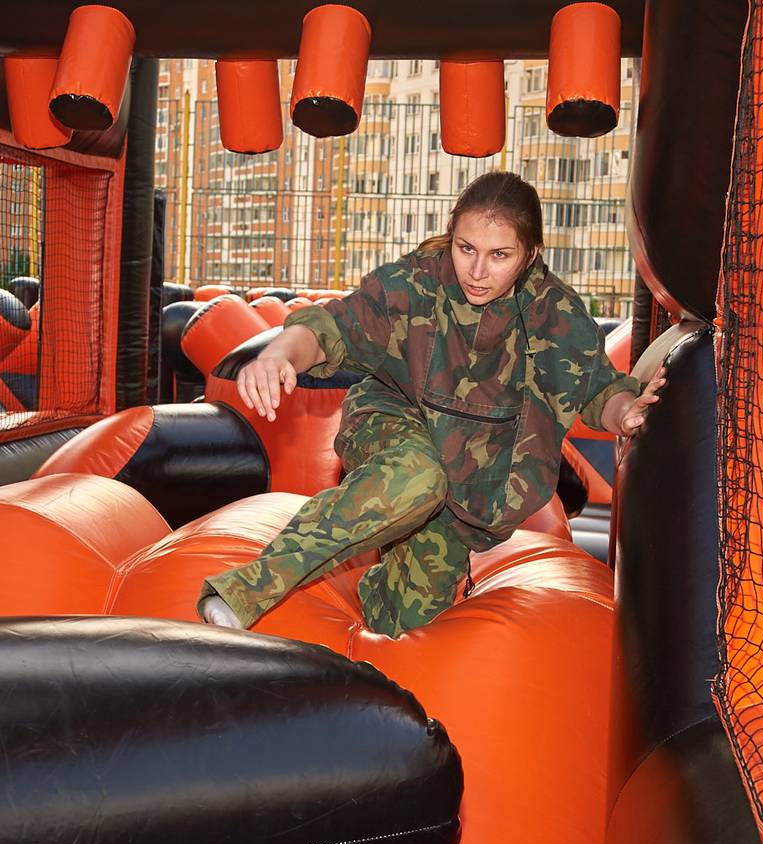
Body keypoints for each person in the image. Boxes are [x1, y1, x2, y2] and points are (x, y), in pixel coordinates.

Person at [197, 172, 664, 636]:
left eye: (499, 255)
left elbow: (595, 389)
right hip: (393, 422)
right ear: (451, 235)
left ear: (531, 254)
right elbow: (328, 329)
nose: (477, 271)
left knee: (406, 620)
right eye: (466, 248)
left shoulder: (553, 312)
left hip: (466, 484)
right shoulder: (416, 283)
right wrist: (278, 355)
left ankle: (368, 604)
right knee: (417, 475)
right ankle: (243, 593)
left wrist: (624, 412)